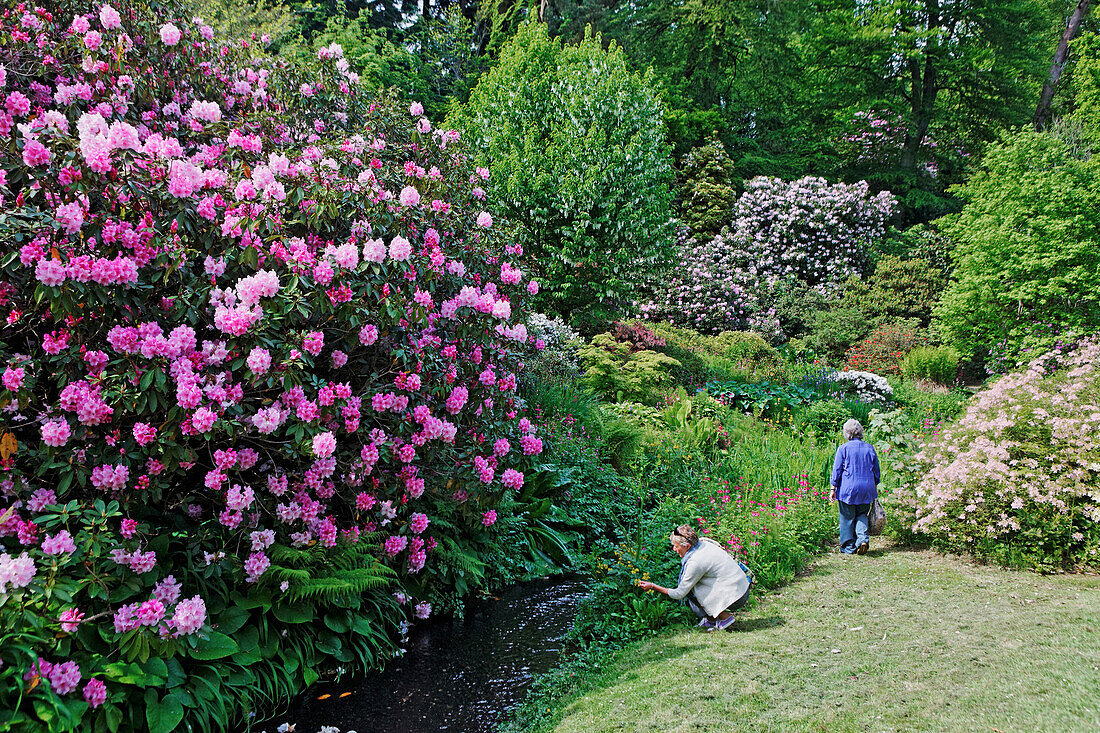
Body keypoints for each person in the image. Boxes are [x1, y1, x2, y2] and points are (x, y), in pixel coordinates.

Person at [636, 525, 751, 632]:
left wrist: (652, 586)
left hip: (737, 597)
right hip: (741, 586)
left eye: (676, 546)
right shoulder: (703, 542)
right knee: (694, 583)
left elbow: (679, 593)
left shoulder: (696, 562)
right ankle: (711, 620)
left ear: (687, 546)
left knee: (691, 588)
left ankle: (724, 618)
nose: (674, 549)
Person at [830, 418, 880, 555]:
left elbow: (837, 471)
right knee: (862, 514)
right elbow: (876, 470)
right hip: (866, 488)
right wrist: (875, 485)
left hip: (848, 489)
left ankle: (848, 547)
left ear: (847, 433)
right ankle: (863, 539)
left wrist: (833, 488)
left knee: (847, 517)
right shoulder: (869, 448)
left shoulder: (843, 449)